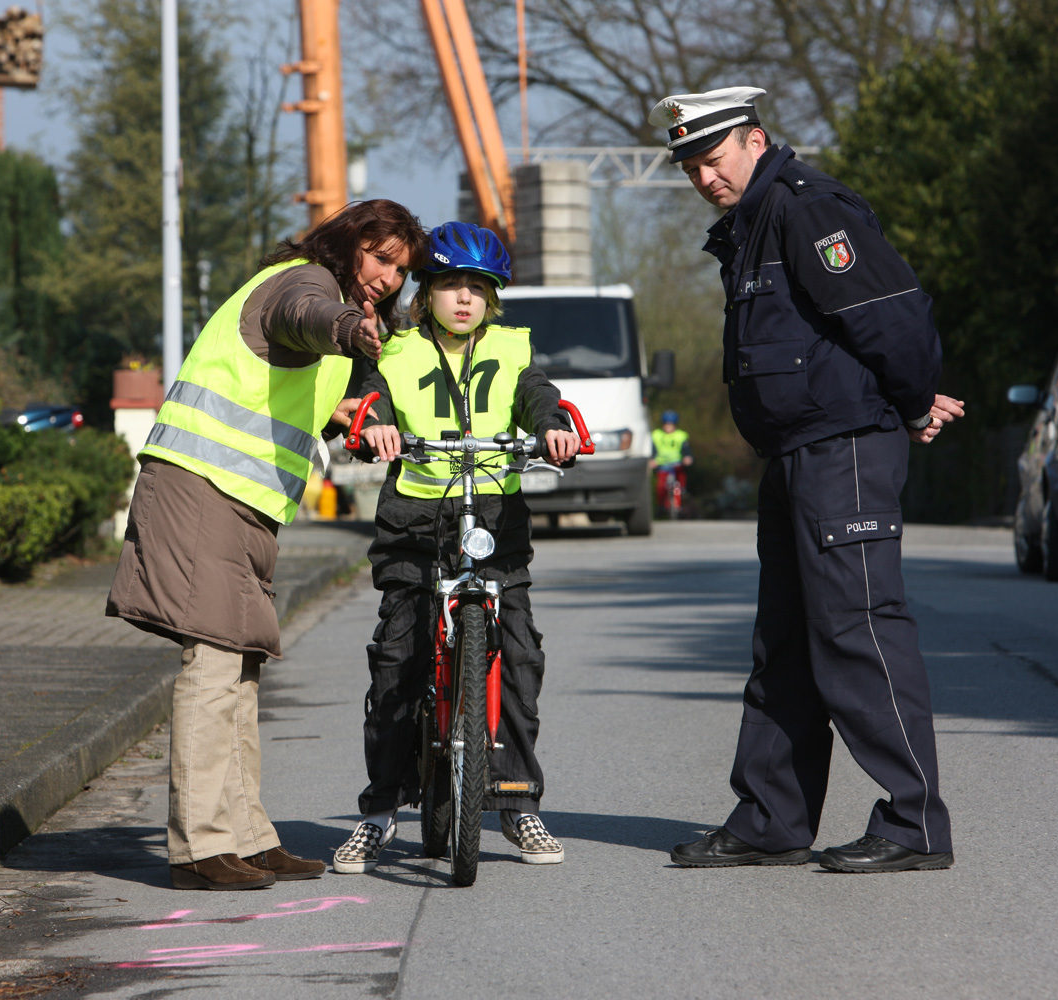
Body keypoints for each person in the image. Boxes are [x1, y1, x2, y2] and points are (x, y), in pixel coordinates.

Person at [646, 87, 967, 873]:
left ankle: (913, 824)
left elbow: (891, 317)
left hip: (843, 449)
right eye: (690, 168)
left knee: (859, 632)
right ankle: (771, 819)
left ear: (754, 140)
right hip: (796, 453)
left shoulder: (807, 209)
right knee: (784, 646)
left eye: (712, 161)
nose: (703, 179)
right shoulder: (754, 224)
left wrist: (915, 398)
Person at [106, 200, 429, 890]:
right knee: (214, 665)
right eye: (378, 258)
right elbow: (303, 317)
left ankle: (247, 835)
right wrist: (347, 327)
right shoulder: (304, 280)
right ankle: (200, 845)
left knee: (241, 670)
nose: (387, 279)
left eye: (400, 270)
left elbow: (284, 385)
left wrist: (343, 413)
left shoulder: (325, 300)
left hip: (244, 502)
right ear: (347, 245)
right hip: (204, 489)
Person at [332, 222, 581, 873]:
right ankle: (381, 810)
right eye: (450, 285)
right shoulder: (398, 351)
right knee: (395, 666)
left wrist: (553, 428)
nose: (464, 298)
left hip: (495, 530)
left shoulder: (511, 347)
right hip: (415, 531)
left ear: (492, 298)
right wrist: (375, 427)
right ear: (427, 293)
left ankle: (520, 803)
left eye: (478, 287)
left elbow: (537, 397)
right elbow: (372, 405)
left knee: (521, 661)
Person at [650, 409, 694, 514]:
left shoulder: (681, 435)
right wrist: (652, 460)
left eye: (671, 424)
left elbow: (686, 449)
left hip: (676, 463)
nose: (668, 427)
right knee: (660, 486)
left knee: (680, 477)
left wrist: (688, 457)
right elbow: (652, 450)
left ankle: (682, 494)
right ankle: (661, 506)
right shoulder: (656, 434)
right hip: (662, 463)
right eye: (666, 424)